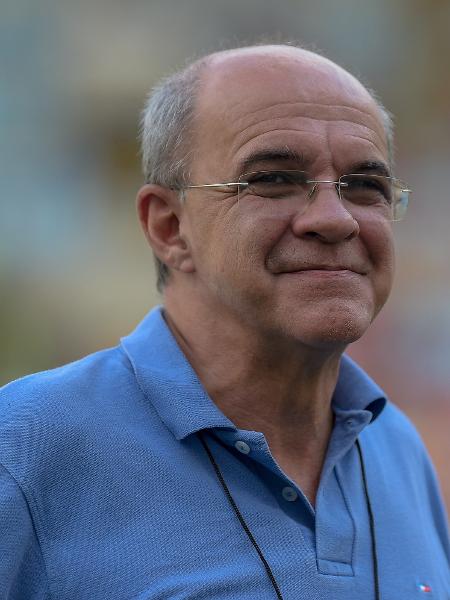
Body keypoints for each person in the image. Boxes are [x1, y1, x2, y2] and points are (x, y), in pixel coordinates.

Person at [0, 44, 448, 600]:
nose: (334, 218)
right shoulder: (23, 447)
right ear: (168, 226)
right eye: (274, 179)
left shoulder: (395, 447)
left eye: (365, 186)